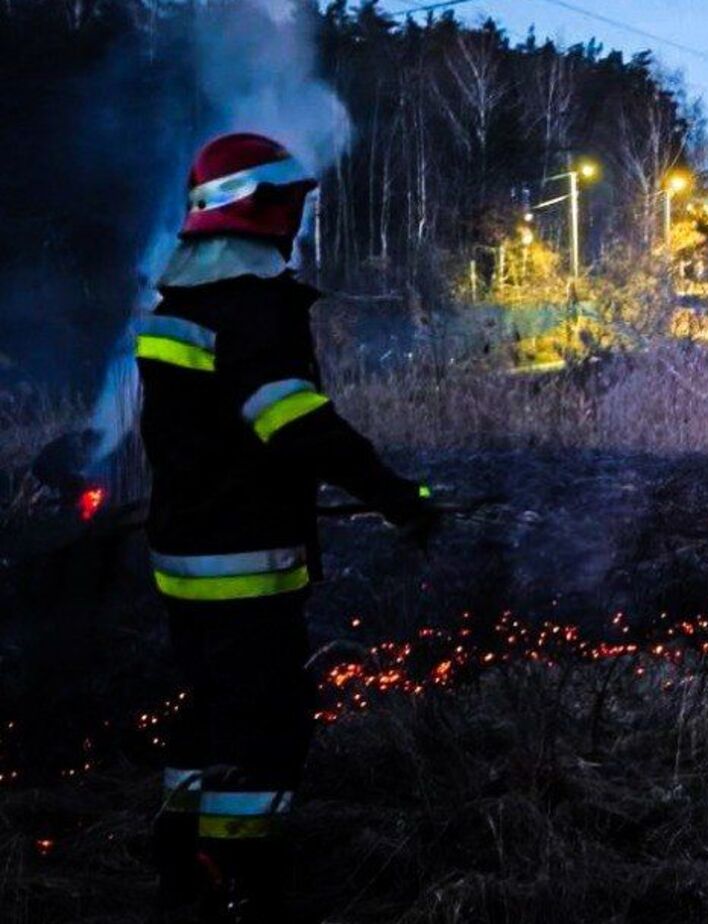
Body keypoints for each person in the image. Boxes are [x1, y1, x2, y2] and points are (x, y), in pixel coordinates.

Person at [135, 132, 439, 923]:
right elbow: (295, 423)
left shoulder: (179, 304)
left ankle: (180, 862)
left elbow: (204, 435)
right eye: (291, 205)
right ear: (257, 208)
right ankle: (247, 881)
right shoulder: (251, 309)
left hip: (185, 553)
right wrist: (395, 495)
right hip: (244, 557)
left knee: (207, 704)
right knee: (265, 719)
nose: (298, 220)